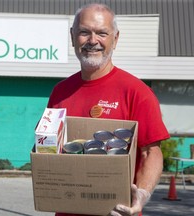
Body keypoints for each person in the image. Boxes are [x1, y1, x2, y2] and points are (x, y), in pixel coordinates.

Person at [47, 3, 170, 216]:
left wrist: (141, 195)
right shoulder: (60, 92)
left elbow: (151, 152)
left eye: (102, 33)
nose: (92, 41)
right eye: (84, 32)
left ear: (116, 38)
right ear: (72, 36)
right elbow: (48, 145)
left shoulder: (136, 92)